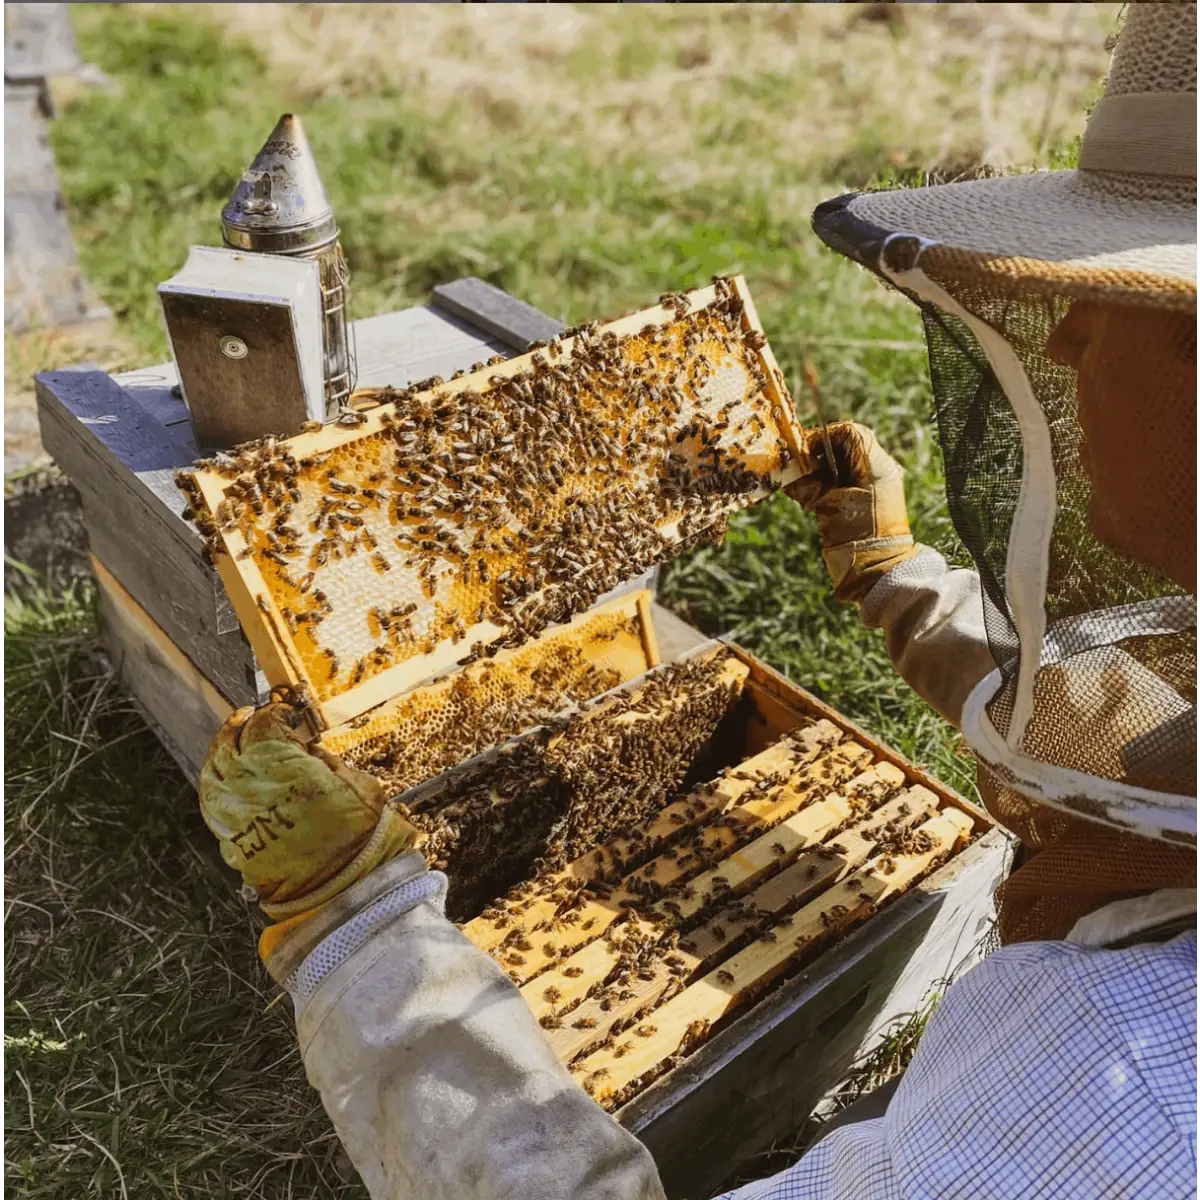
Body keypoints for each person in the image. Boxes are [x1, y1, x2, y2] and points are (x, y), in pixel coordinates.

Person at [198, 6, 1198, 1198]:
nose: (1071, 330)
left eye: (1131, 303)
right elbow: (1132, 739)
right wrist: (896, 580)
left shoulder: (1122, 1086)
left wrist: (357, 942)